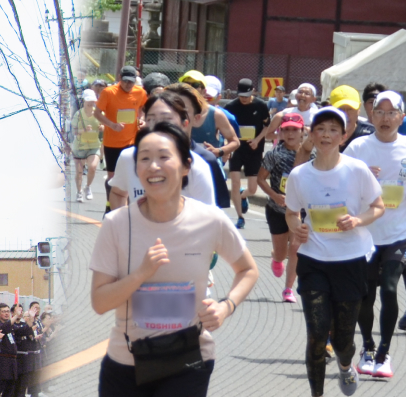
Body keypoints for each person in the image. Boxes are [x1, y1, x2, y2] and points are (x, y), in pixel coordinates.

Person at [90, 122, 258, 397]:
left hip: (186, 360)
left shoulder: (209, 220)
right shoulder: (117, 224)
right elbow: (99, 302)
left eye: (163, 157)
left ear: (185, 166)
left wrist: (226, 307)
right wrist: (141, 274)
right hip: (127, 363)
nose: (153, 166)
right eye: (144, 158)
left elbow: (248, 270)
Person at [284, 107, 385, 397]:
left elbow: (378, 207)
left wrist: (357, 220)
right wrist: (296, 228)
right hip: (313, 260)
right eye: (321, 129)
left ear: (343, 137)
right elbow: (291, 212)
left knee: (343, 340)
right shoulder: (300, 175)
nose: (326, 135)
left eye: (333, 130)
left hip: (350, 261)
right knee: (316, 334)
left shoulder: (356, 170)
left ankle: (345, 365)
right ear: (311, 135)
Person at [343, 91, 406, 378]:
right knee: (365, 296)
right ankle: (367, 348)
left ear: (401, 117)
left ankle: (383, 353)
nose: (385, 118)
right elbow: (339, 180)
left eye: (391, 112)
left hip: (398, 233)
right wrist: (361, 174)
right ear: (372, 115)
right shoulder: (358, 148)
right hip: (365, 234)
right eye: (379, 112)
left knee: (390, 289)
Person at [109, 91, 216, 210]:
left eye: (166, 119)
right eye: (151, 119)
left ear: (185, 124)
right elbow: (118, 193)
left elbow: (208, 214)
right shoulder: (128, 157)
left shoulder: (197, 166)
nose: (158, 125)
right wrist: (124, 220)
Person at [257, 113, 312, 303]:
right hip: (277, 209)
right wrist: (275, 196)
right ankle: (277, 257)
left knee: (295, 248)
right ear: (280, 132)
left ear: (302, 132)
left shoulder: (312, 155)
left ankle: (288, 289)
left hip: (301, 211)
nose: (290, 134)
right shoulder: (274, 154)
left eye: (294, 130)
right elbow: (260, 179)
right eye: (286, 130)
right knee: (282, 253)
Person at [94, 66, 148, 215]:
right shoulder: (108, 92)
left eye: (131, 82)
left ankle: (130, 210)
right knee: (113, 179)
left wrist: (142, 119)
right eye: (125, 81)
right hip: (112, 143)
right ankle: (110, 206)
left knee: (132, 176)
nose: (128, 84)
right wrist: (111, 125)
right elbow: (97, 113)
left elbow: (143, 108)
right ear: (119, 78)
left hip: (132, 142)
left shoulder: (140, 92)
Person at [225, 78, 272, 229]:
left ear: (252, 91)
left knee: (252, 188)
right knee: (235, 181)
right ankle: (240, 217)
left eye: (246, 96)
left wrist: (257, 140)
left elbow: (266, 126)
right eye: (241, 96)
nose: (243, 99)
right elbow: (224, 128)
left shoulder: (261, 106)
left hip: (254, 149)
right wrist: (227, 147)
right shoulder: (231, 107)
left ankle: (243, 195)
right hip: (236, 148)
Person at [0, 303, 27, 397]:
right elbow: (5, 327)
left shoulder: (11, 326)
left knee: (10, 384)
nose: (6, 313)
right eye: (3, 311)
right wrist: (15, 316)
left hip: (12, 358)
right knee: (1, 384)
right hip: (3, 358)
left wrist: (29, 319)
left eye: (7, 311)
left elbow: (22, 331)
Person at [72, 89, 104, 202]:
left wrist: (102, 128)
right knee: (79, 172)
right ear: (84, 101)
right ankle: (79, 192)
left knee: (93, 166)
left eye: (92, 101)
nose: (90, 103)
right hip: (80, 146)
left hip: (94, 145)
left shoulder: (99, 114)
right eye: (88, 101)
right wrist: (83, 130)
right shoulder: (78, 114)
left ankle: (88, 187)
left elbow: (106, 126)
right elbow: (74, 131)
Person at [329, 85, 375, 152]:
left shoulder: (371, 135)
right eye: (340, 109)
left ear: (359, 108)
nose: (345, 114)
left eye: (350, 109)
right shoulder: (321, 136)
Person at [16, 302, 43, 397]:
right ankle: (21, 395)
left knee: (35, 375)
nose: (29, 318)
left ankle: (34, 395)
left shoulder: (37, 323)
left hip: (36, 352)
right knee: (25, 375)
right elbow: (27, 335)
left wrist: (37, 337)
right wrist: (33, 336)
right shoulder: (22, 326)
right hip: (25, 354)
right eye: (27, 316)